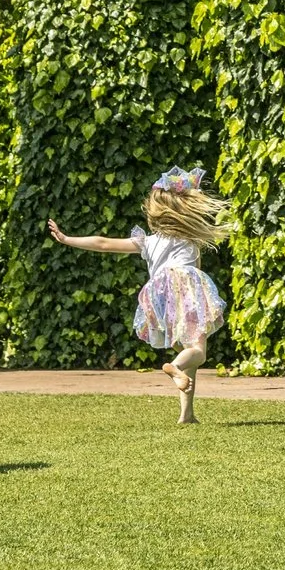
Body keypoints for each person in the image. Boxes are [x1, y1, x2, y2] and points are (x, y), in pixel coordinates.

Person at [48, 167, 232, 424]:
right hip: (185, 290)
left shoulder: (148, 241)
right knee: (197, 351)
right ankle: (175, 368)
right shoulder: (190, 238)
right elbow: (195, 274)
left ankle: (186, 414)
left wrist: (67, 238)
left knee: (185, 352)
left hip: (159, 296)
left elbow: (103, 243)